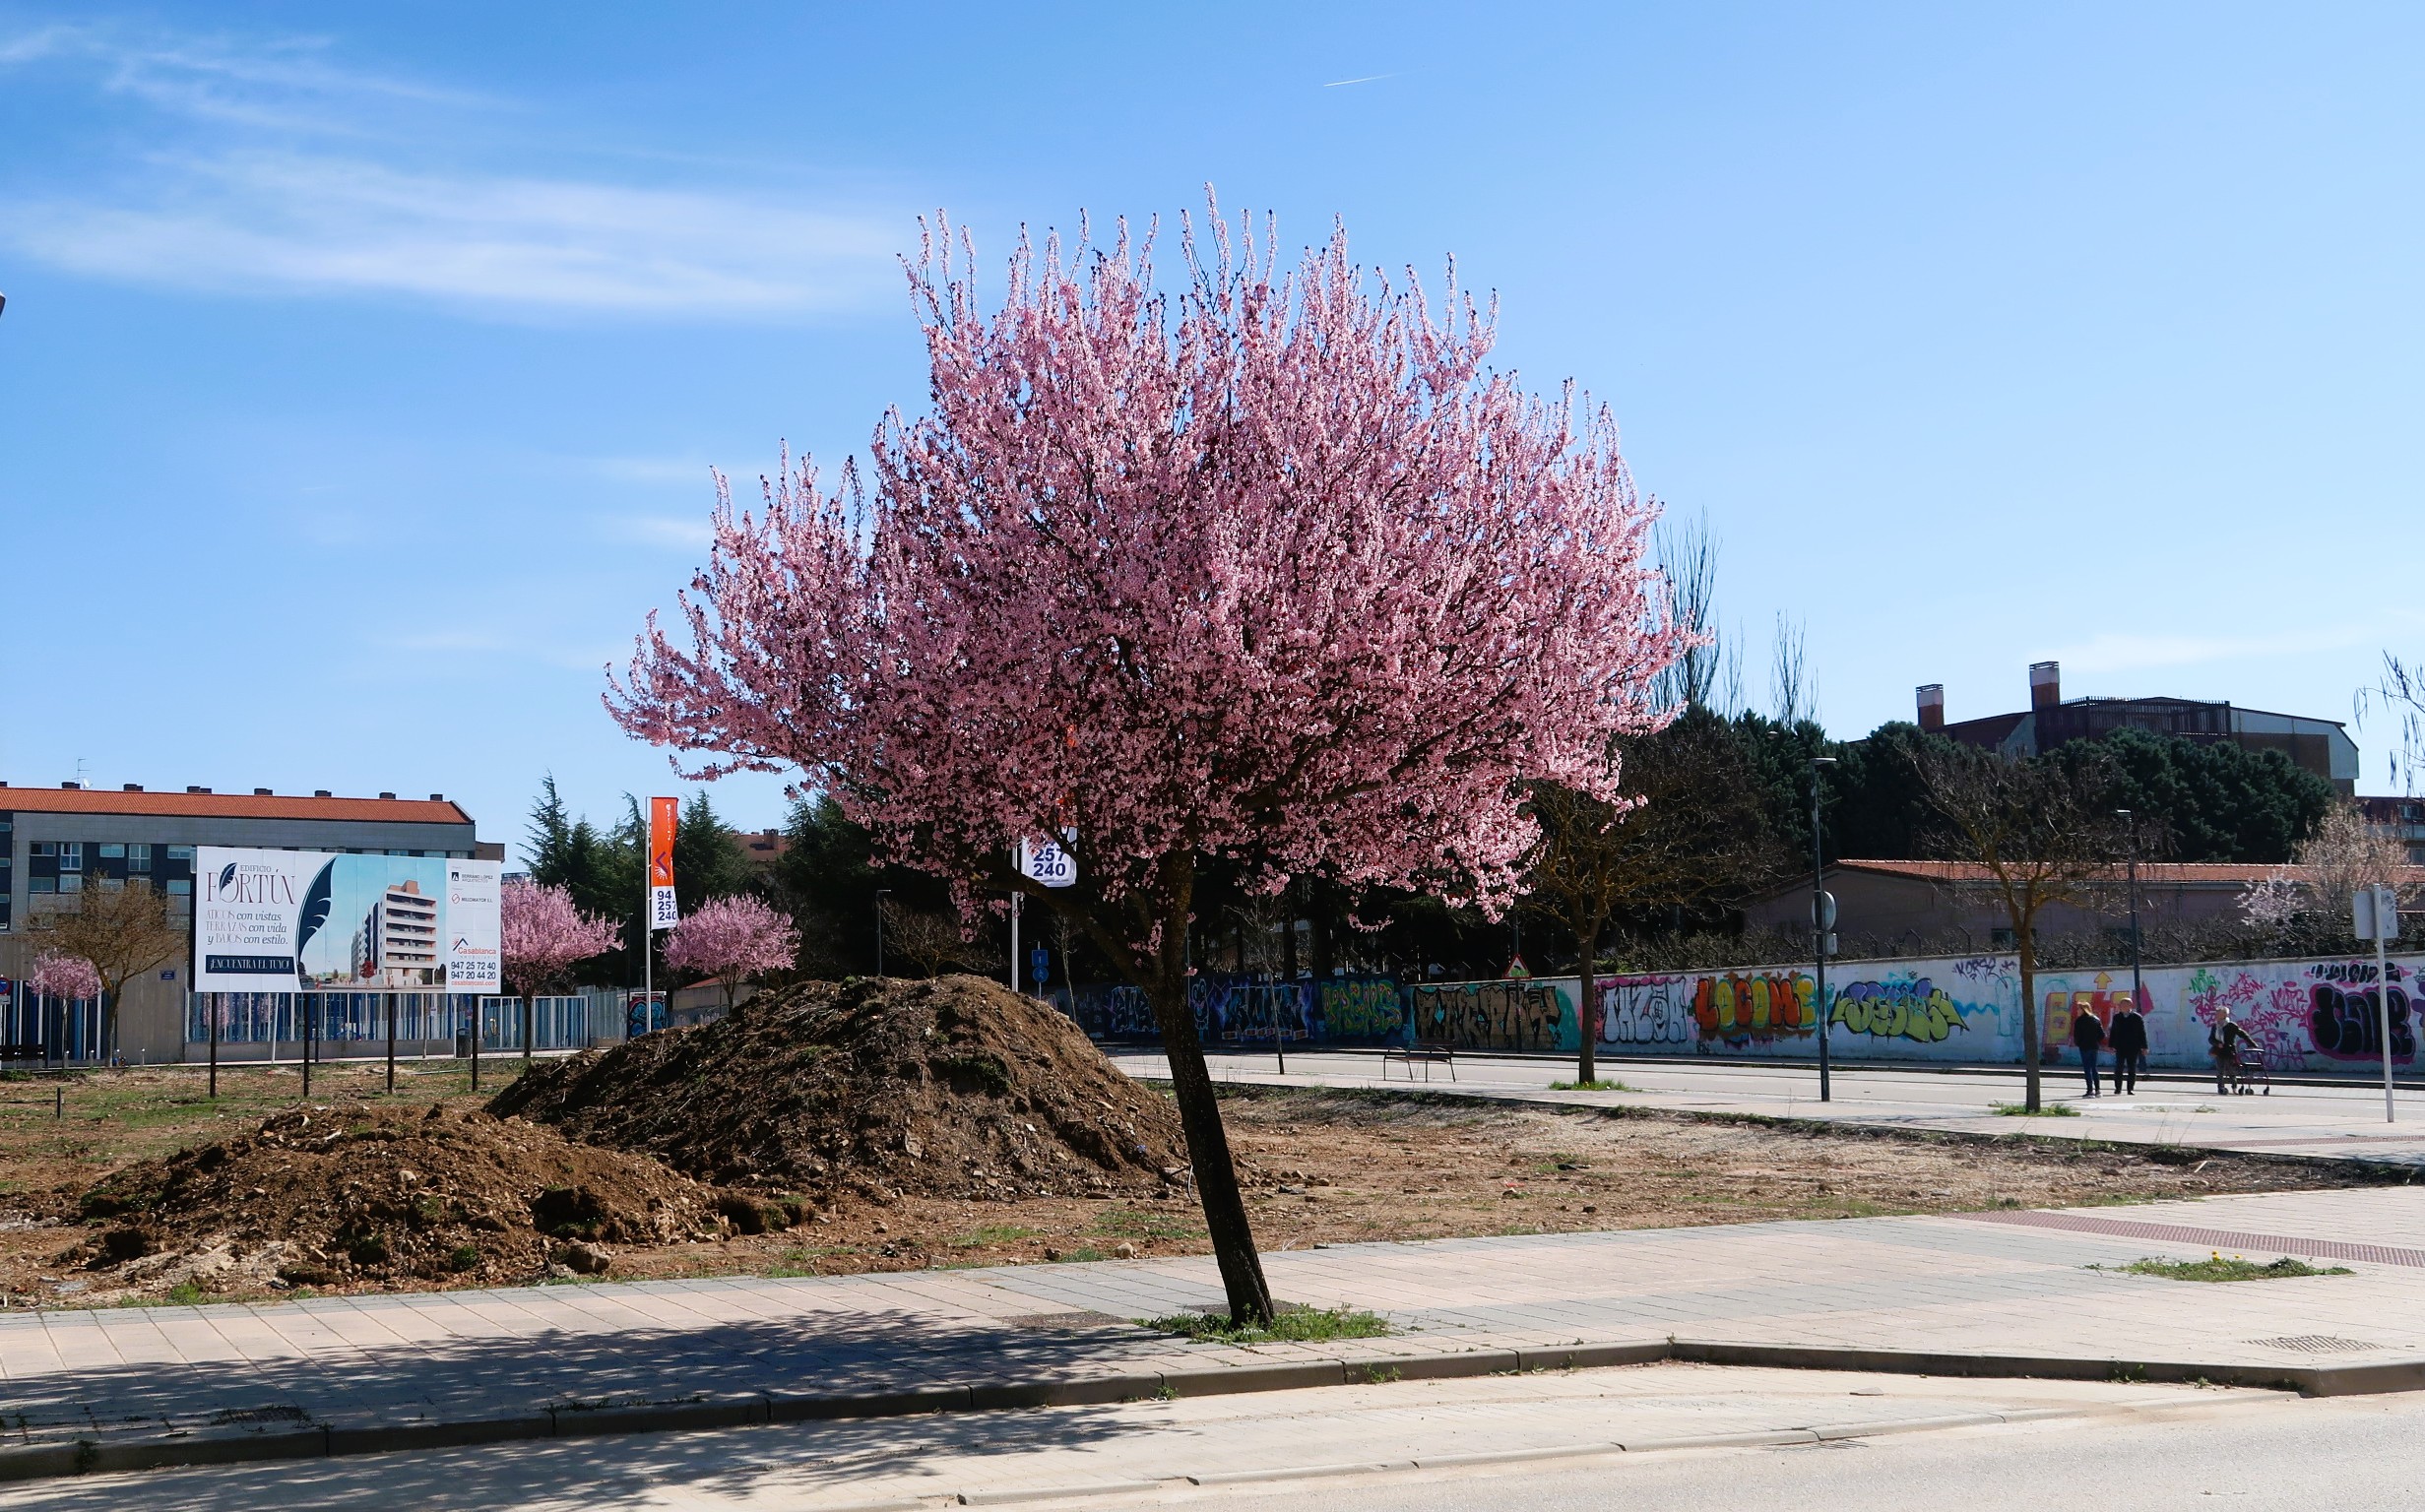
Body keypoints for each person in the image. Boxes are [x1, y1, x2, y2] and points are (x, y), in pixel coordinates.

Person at [2209, 1008, 2258, 1095]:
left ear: (2224, 1015)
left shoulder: (2231, 1025)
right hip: (2219, 1051)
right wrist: (2217, 1044)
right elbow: (2211, 1039)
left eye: (2218, 1013)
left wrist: (2252, 1044)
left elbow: (2242, 1034)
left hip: (2229, 1051)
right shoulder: (2215, 1026)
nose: (2216, 1015)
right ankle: (2221, 1088)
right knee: (2220, 1071)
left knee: (2231, 1070)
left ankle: (2234, 1087)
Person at [2108, 996, 2149, 1095]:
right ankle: (2118, 1088)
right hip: (2120, 1046)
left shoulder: (2136, 1017)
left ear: (2130, 1005)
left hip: (2133, 1047)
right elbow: (2113, 1032)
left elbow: (2142, 1033)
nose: (2120, 1006)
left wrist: (2144, 1047)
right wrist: (2111, 1045)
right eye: (2120, 1005)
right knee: (2119, 1068)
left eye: (2123, 1005)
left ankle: (2130, 1088)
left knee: (2132, 1068)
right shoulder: (2117, 1017)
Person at [2070, 1004, 2106, 1097]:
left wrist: (2079, 1043)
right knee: (2094, 1068)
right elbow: (2102, 1035)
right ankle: (2098, 1090)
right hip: (2094, 1046)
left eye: (2079, 1009)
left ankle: (2090, 1090)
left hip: (2084, 1046)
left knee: (2087, 1068)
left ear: (2083, 1009)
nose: (2077, 1011)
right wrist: (2095, 1040)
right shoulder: (2096, 1019)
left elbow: (2077, 1035)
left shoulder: (2079, 1021)